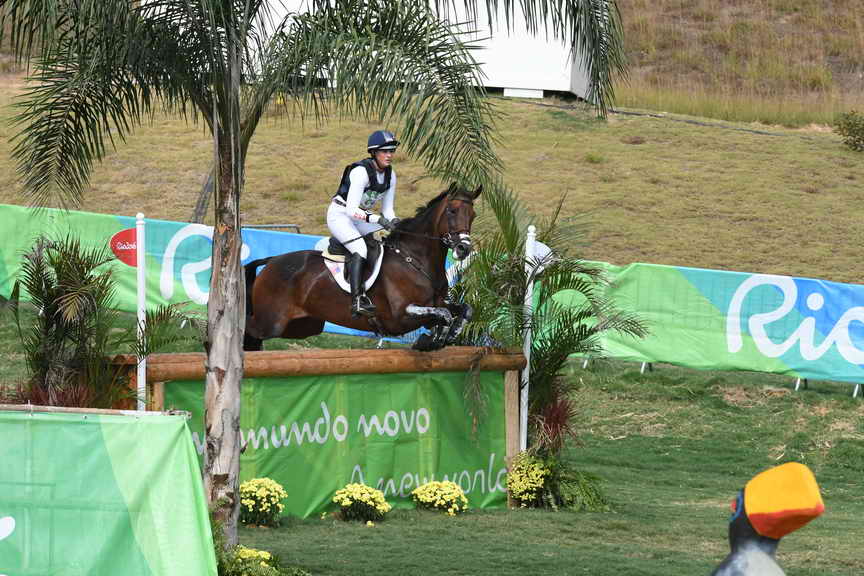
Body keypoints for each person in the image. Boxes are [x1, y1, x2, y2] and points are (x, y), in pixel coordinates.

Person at [327, 130, 401, 317]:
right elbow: (351, 210)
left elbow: (388, 210)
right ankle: (357, 300)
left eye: (391, 151)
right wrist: (379, 220)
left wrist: (395, 222)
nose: (389, 155)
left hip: (360, 218)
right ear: (374, 152)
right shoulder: (360, 172)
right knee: (360, 248)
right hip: (340, 215)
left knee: (389, 239)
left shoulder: (391, 175)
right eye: (385, 151)